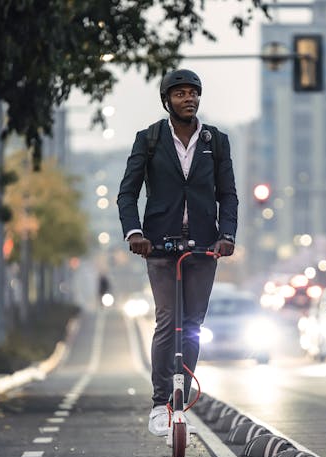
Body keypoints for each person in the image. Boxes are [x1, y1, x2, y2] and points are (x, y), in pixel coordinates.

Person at [117, 69, 238, 437]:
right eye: (181, 94)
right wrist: (135, 233)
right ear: (167, 100)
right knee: (168, 319)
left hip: (204, 245)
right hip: (159, 244)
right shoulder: (150, 139)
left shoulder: (215, 141)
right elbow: (128, 192)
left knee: (194, 326)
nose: (189, 99)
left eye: (194, 93)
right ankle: (158, 403)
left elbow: (227, 194)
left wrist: (227, 235)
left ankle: (179, 401)